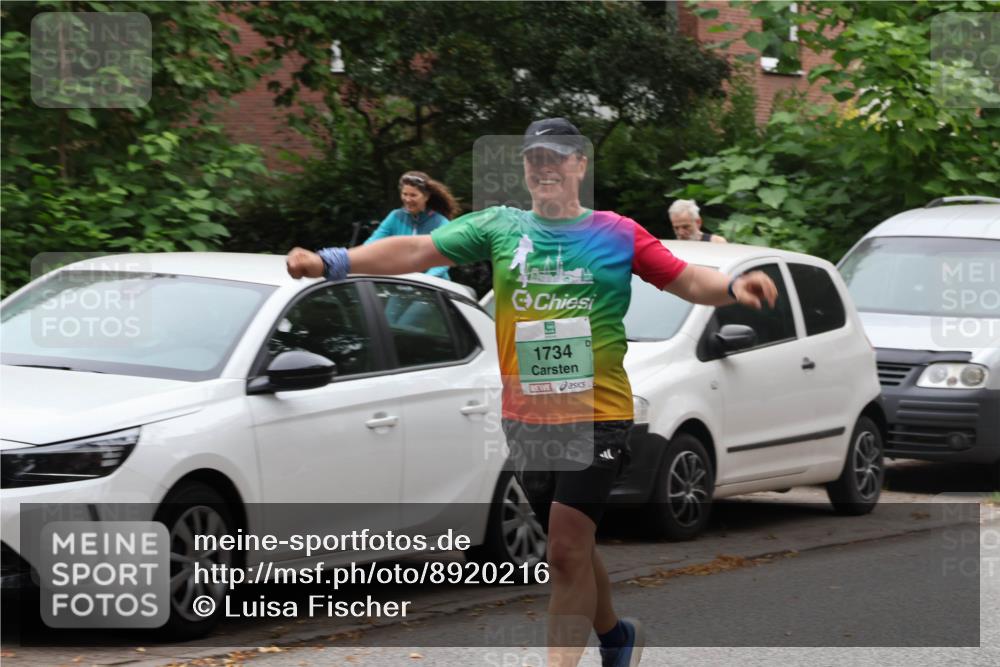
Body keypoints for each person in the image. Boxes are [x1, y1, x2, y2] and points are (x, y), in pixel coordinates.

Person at [287, 118, 777, 667]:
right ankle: (616, 637)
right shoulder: (500, 227)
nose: (545, 167)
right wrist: (335, 261)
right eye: (535, 159)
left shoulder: (616, 232)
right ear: (525, 169)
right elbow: (417, 251)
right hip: (527, 417)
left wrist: (734, 287)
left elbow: (687, 279)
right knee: (574, 550)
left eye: (558, 157)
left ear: (579, 166)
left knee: (565, 549)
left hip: (600, 412)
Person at [365, 170, 459, 279]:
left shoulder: (441, 223)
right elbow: (372, 244)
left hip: (433, 287)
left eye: (413, 195)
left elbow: (444, 259)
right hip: (401, 285)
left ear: (426, 196)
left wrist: (423, 280)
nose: (408, 199)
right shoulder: (395, 216)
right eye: (405, 194)